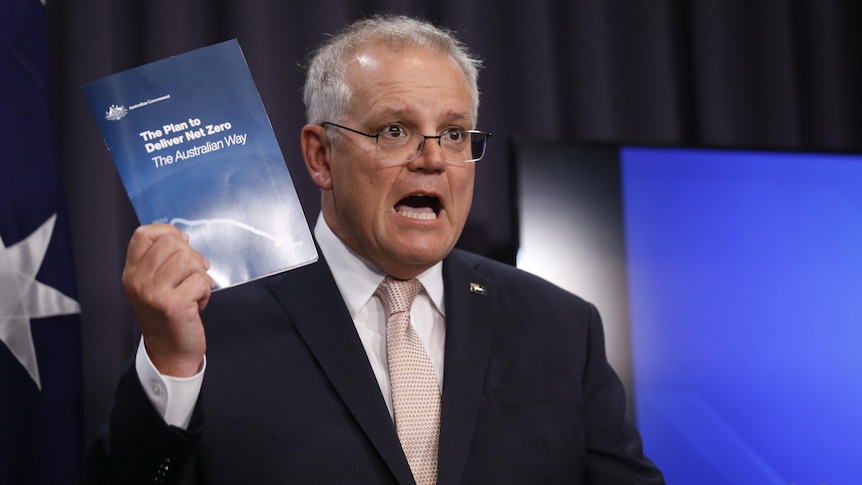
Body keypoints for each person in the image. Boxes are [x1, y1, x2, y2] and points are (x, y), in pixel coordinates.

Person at [81, 14, 664, 485]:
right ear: (320, 156)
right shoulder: (209, 326)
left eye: (455, 133)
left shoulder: (561, 324)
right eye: (395, 130)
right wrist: (172, 368)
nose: (433, 158)